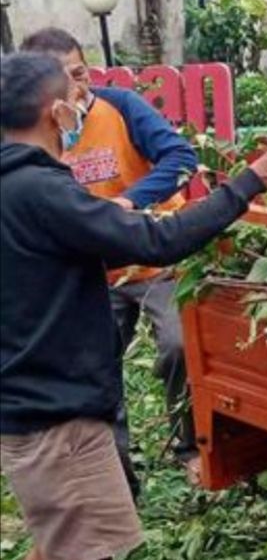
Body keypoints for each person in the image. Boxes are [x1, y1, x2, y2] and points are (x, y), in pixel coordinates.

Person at [0, 52, 267, 560]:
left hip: (32, 400)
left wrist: (106, 222)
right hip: (56, 413)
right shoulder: (40, 189)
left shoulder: (18, 187)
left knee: (59, 545)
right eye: (75, 101)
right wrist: (248, 184)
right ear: (55, 114)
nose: (81, 109)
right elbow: (157, 241)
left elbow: (75, 252)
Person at [19, 28, 201, 489]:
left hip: (155, 257)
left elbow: (180, 157)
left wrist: (130, 201)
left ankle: (190, 445)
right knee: (99, 367)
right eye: (63, 80)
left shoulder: (121, 107)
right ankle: (117, 475)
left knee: (181, 345)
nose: (76, 89)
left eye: (80, 73)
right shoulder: (35, 136)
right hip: (95, 269)